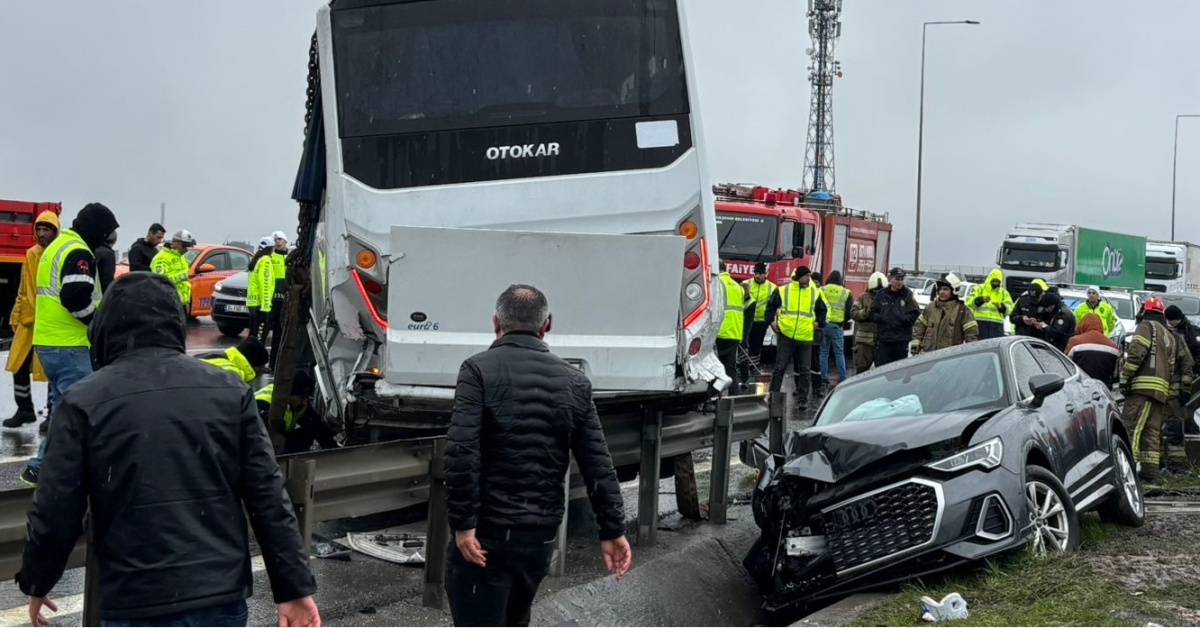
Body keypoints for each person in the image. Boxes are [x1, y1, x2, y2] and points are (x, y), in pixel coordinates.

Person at [18, 273, 320, 628]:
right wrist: (294, 588)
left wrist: (38, 580)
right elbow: (267, 496)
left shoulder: (84, 401)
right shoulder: (229, 391)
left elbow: (56, 507)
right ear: (175, 324)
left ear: (105, 329)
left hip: (136, 598)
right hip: (219, 595)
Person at [445, 285, 631, 627]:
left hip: (486, 531)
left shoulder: (477, 370)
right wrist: (612, 530)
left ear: (496, 323)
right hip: (539, 536)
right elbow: (597, 464)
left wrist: (464, 524)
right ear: (546, 325)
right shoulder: (575, 382)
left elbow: (462, 450)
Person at [20, 202, 118, 487]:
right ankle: (51, 470)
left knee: (65, 409)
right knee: (82, 411)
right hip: (69, 345)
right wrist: (98, 324)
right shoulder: (78, 252)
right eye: (106, 233)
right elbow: (75, 298)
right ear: (96, 229)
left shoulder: (58, 246)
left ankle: (48, 468)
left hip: (50, 342)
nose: (107, 240)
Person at [1120, 296, 1193, 482]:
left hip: (1142, 390)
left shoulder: (1146, 327)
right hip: (1161, 393)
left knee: (1130, 429)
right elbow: (1171, 367)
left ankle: (1124, 473)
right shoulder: (1169, 335)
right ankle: (1150, 473)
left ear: (1145, 310)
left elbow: (1136, 354)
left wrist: (1125, 378)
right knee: (1151, 435)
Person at [2, 211, 58, 429]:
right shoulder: (31, 254)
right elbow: (23, 289)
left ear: (55, 231)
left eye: (46, 230)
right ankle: (25, 409)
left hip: (51, 322)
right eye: (39, 229)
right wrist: (16, 316)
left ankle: (53, 413)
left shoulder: (59, 253)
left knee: (52, 369)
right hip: (29, 320)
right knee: (19, 365)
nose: (42, 234)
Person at [764, 266, 827, 411]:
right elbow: (770, 307)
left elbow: (822, 311)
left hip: (805, 336)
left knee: (805, 370)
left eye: (809, 276)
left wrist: (819, 323)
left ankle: (802, 399)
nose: (809, 279)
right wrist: (771, 322)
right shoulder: (783, 290)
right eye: (806, 276)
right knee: (780, 367)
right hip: (787, 335)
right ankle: (773, 396)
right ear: (799, 277)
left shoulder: (814, 292)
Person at [255, 369, 339, 455]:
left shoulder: (298, 403)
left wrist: (336, 452)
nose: (304, 403)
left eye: (307, 398)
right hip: (257, 444)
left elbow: (318, 427)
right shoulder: (265, 405)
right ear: (288, 394)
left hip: (276, 438)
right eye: (302, 398)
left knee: (306, 434)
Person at [911, 273, 978, 355]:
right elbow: (919, 326)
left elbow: (971, 335)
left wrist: (971, 354)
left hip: (949, 357)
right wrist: (916, 344)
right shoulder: (930, 307)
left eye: (945, 289)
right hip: (928, 355)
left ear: (954, 291)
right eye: (940, 289)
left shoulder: (962, 311)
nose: (941, 292)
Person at [870, 267, 921, 367]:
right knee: (882, 368)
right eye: (897, 279)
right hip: (884, 339)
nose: (900, 282)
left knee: (898, 368)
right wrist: (882, 318)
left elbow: (915, 312)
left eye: (902, 279)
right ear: (890, 279)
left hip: (901, 340)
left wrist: (903, 319)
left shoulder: (907, 294)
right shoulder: (881, 294)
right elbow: (872, 312)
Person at [819, 270, 852, 392]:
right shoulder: (846, 292)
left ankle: (823, 376)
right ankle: (842, 377)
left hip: (823, 325)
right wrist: (843, 320)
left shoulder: (822, 290)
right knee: (839, 353)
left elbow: (817, 306)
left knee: (823, 352)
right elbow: (849, 310)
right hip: (837, 325)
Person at [741, 262, 776, 376]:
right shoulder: (746, 284)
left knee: (756, 345)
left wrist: (771, 320)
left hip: (761, 322)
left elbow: (774, 306)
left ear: (765, 274)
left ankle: (753, 368)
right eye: (756, 273)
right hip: (746, 320)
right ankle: (742, 367)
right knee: (744, 344)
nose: (757, 276)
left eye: (760, 274)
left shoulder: (772, 287)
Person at [1066, 313, 1119, 387]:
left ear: (1082, 325)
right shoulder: (1113, 346)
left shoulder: (1075, 341)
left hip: (1079, 386)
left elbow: (1065, 366)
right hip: (1103, 388)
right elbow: (1116, 374)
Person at [716, 262, 745, 394]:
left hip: (720, 330)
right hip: (735, 331)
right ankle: (734, 395)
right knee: (730, 367)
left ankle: (714, 397)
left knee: (714, 367)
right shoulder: (737, 286)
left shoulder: (716, 283)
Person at [849, 271, 886, 373]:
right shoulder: (862, 297)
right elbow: (853, 313)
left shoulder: (888, 298)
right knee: (861, 372)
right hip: (864, 344)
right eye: (876, 290)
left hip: (882, 343)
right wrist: (866, 312)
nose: (878, 293)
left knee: (882, 373)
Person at [151, 229, 196, 310]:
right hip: (168, 303)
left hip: (182, 303)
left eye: (188, 246)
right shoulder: (162, 258)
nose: (186, 249)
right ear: (175, 242)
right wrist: (183, 276)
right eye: (184, 246)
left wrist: (186, 303)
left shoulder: (182, 258)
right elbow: (160, 281)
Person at [199, 336, 270, 384]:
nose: (260, 373)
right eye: (260, 368)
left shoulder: (218, 357)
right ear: (251, 364)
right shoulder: (234, 375)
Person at [966, 268, 1013, 340]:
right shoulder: (979, 288)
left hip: (996, 325)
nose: (995, 283)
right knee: (979, 344)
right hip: (980, 323)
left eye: (997, 282)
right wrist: (980, 300)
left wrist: (1002, 307)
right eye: (993, 281)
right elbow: (968, 301)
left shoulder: (1004, 293)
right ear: (989, 279)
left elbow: (1011, 308)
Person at [267, 231, 290, 370]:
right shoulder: (270, 257)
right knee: (268, 332)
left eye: (280, 239)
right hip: (272, 300)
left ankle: (277, 363)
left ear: (286, 241)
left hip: (285, 301)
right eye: (275, 240)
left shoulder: (290, 257)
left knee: (280, 333)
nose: (278, 242)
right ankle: (269, 363)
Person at [247, 237, 275, 341]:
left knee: (253, 335)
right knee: (259, 338)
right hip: (260, 304)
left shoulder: (256, 260)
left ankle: (250, 351)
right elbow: (265, 284)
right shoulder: (265, 261)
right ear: (271, 248)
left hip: (252, 302)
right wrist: (266, 305)